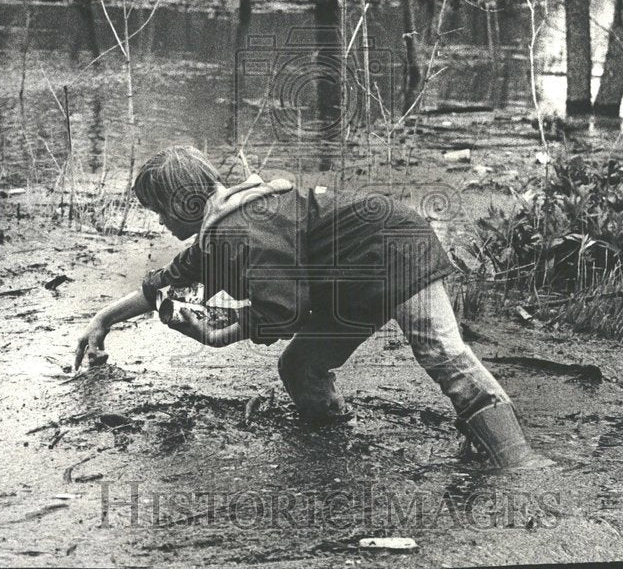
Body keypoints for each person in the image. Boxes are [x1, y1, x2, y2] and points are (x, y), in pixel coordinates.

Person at [74, 145, 547, 469]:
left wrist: (228, 328)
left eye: (159, 210)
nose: (159, 221)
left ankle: (519, 460)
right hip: (353, 285)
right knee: (300, 365)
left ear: (183, 203)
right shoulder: (220, 232)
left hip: (394, 249)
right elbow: (163, 284)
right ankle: (331, 439)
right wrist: (103, 320)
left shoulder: (239, 231)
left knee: (442, 352)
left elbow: (288, 310)